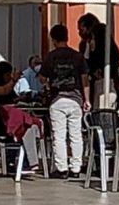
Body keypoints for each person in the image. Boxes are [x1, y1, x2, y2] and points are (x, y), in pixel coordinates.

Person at [39, 24, 90, 180]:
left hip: (57, 100)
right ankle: (76, 167)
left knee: (59, 136)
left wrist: (48, 84)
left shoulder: (50, 56)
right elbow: (84, 80)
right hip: (75, 99)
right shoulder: (77, 56)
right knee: (76, 135)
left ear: (53, 39)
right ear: (67, 37)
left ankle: (61, 169)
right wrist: (86, 99)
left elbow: (42, 78)